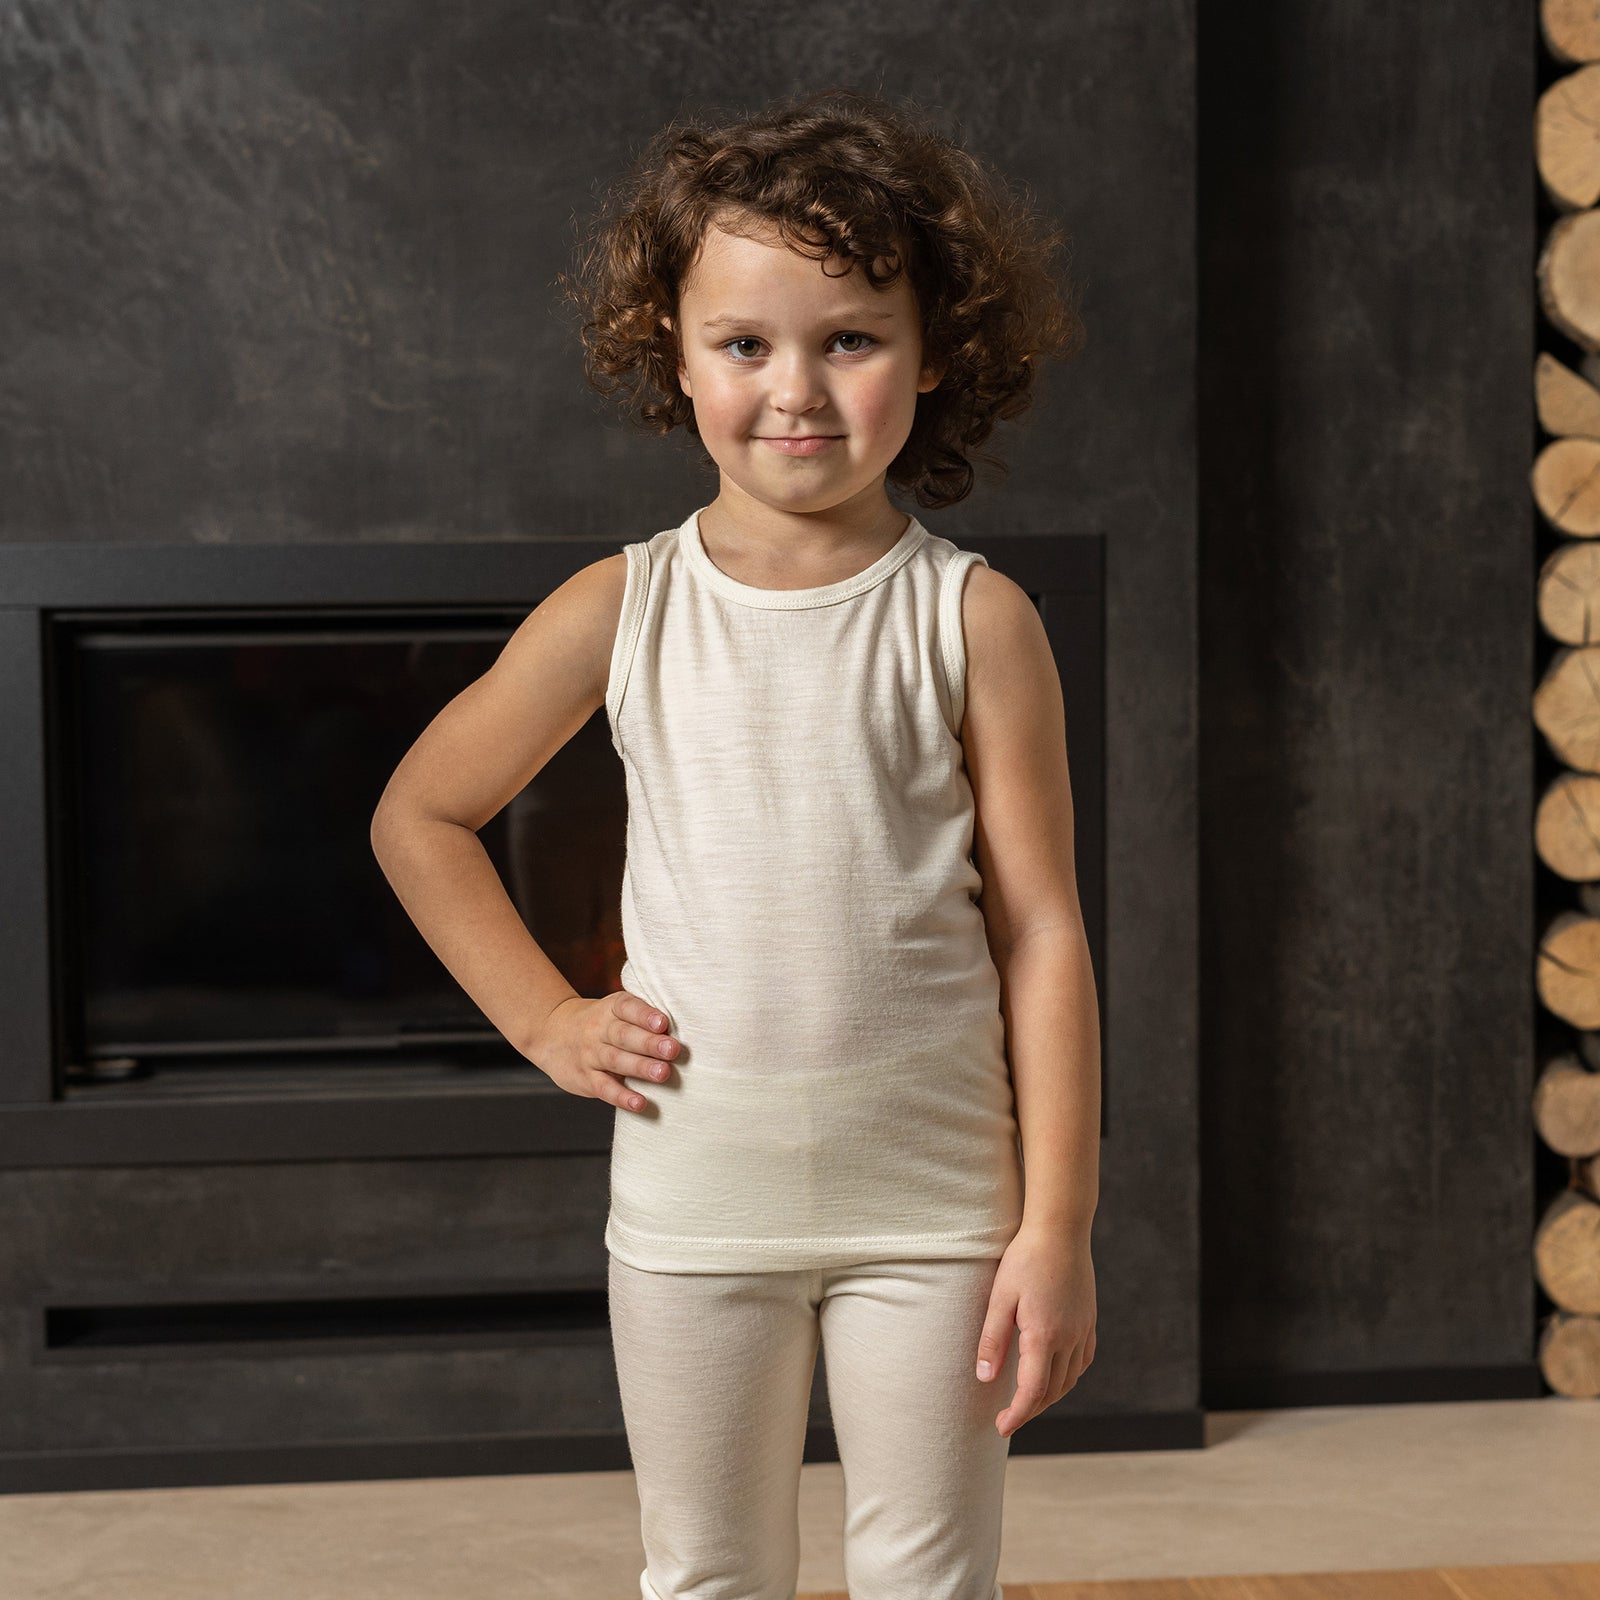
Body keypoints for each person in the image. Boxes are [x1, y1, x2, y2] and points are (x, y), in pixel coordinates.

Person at [372, 84, 1100, 1600]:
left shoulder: (973, 622)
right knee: (705, 1576)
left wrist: (1058, 1226)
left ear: (937, 349)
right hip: (699, 1213)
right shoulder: (619, 609)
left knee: (928, 1577)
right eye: (745, 343)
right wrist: (546, 1017)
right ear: (674, 354)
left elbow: (1040, 930)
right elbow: (422, 816)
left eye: (852, 337)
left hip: (941, 1215)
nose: (799, 390)